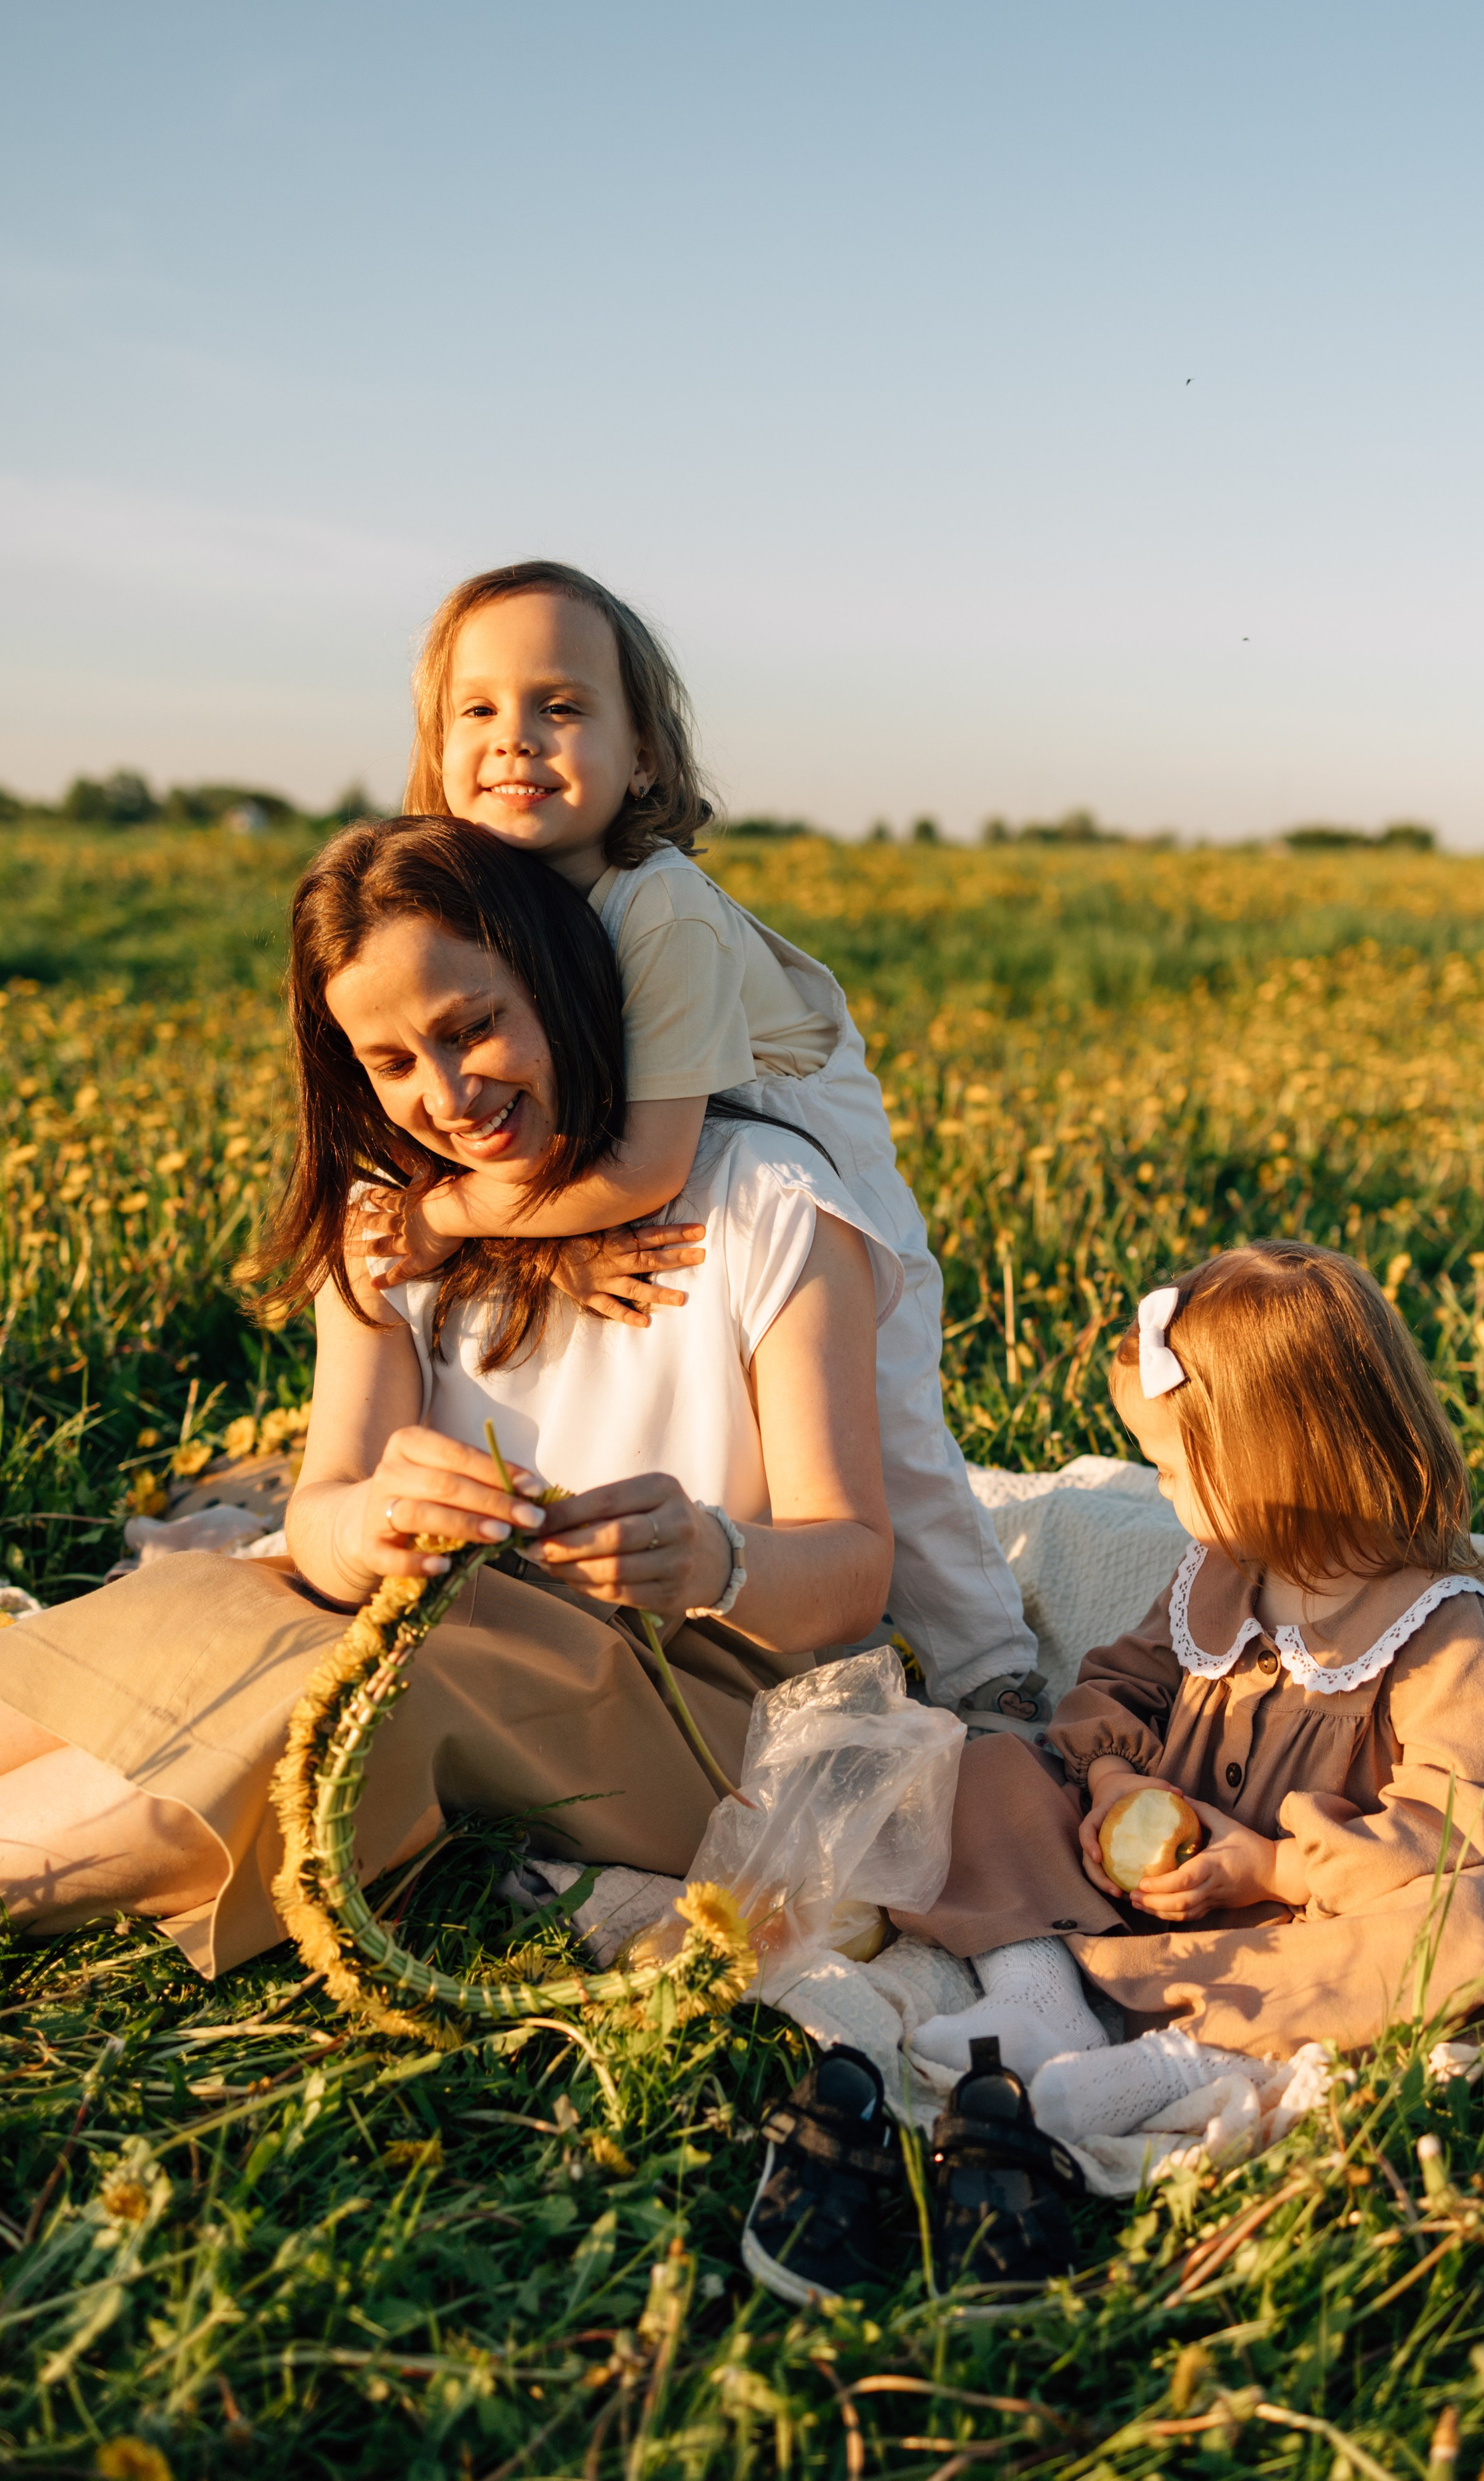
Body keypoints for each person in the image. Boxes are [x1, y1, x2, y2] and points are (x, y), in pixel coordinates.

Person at [0, 819, 895, 1973]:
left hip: (688, 1688)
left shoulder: (766, 1203)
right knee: (205, 1607)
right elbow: (321, 1519)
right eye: (392, 1063)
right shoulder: (391, 1223)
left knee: (358, 1697)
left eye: (475, 1027)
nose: (451, 1092)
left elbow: (856, 1574)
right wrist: (370, 1523)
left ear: (563, 984)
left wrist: (714, 1557)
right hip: (443, 1621)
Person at [355, 558, 1043, 1732]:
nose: (515, 740)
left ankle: (989, 1661)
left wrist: (451, 1216)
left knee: (890, 1423)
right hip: (665, 1121)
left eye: (560, 707)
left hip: (785, 1121)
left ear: (646, 759)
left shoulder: (656, 902)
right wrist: (548, 1246)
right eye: (479, 710)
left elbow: (648, 1173)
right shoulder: (499, 905)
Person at [898, 1241, 1484, 2141]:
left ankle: (1186, 2061)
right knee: (984, 1767)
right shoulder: (1217, 1571)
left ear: (1268, 1465)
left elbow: (1459, 1822)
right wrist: (1121, 1786)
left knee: (1475, 1925)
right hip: (1134, 1891)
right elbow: (1118, 1686)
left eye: (1167, 1470)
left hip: (1304, 1923)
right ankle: (1040, 1997)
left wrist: (1273, 1865)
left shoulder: (1435, 1627)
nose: (1160, 1493)